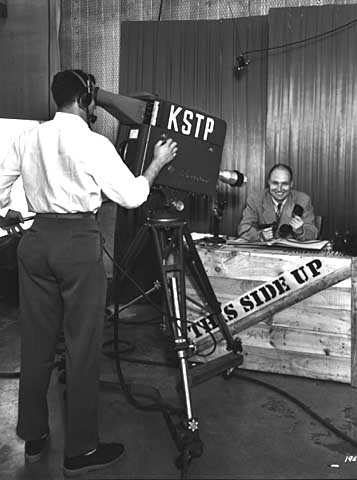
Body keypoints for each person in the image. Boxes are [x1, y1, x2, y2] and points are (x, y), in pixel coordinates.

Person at [0, 69, 178, 477]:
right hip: (77, 245)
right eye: (95, 99)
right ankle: (80, 450)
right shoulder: (93, 143)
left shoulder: (27, 139)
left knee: (36, 344)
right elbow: (132, 196)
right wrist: (156, 164)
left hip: (36, 241)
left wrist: (10, 212)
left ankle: (33, 438)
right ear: (86, 100)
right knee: (81, 349)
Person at [237, 163, 318, 241]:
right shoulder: (255, 199)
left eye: (284, 184)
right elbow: (243, 228)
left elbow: (313, 233)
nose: (279, 189)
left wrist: (301, 231)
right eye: (275, 183)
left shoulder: (303, 200)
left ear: (291, 184)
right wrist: (260, 236)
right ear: (268, 182)